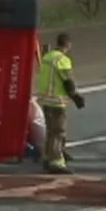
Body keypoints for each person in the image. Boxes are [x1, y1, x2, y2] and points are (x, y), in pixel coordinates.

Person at [34, 33, 86, 174]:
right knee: (58, 132)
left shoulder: (47, 57)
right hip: (57, 101)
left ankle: (47, 157)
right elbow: (68, 82)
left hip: (45, 99)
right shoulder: (63, 60)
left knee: (50, 131)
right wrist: (76, 97)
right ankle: (56, 161)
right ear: (68, 45)